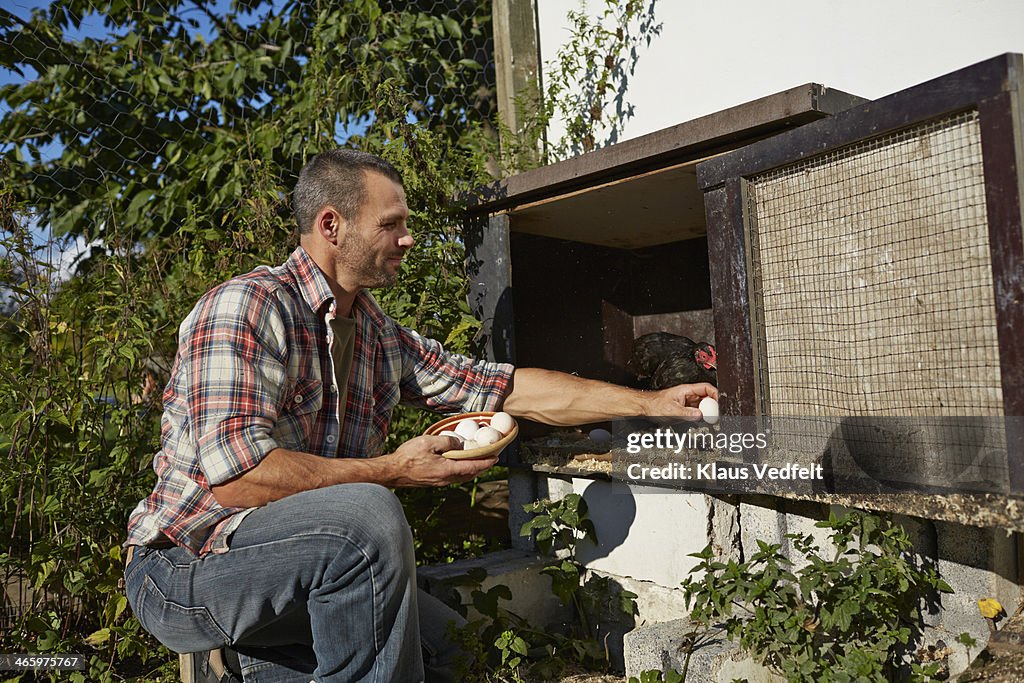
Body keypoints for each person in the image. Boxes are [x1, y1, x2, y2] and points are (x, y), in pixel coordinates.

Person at [123, 149, 717, 683]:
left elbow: (507, 390)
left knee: (451, 646)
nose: (408, 238)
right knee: (367, 516)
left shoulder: (381, 339)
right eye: (392, 224)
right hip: (189, 570)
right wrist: (394, 470)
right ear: (332, 226)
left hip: (305, 572)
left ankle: (249, 659)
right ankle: (234, 647)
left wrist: (651, 403)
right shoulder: (247, 309)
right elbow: (238, 479)